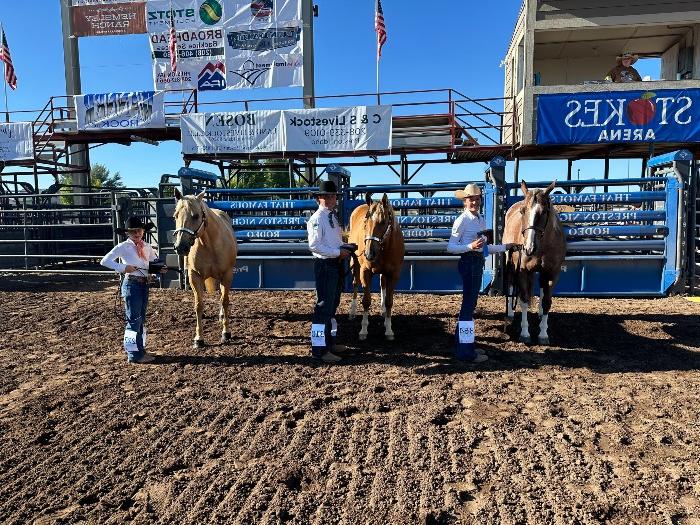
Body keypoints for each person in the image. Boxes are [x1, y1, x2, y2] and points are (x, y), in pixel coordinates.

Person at [447, 184, 517, 363]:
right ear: (465, 201)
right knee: (468, 308)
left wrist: (505, 247)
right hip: (469, 262)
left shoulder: (480, 219)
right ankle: (466, 352)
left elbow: (484, 247)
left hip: (476, 262)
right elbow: (450, 247)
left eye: (477, 199)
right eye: (471, 199)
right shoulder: (462, 220)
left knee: (469, 306)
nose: (475, 202)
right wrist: (469, 246)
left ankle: (464, 346)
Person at [100, 216, 166, 364]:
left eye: (139, 230)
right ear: (127, 233)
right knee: (133, 320)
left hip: (143, 285)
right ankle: (133, 354)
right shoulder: (123, 247)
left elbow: (153, 264)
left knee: (140, 320)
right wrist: (124, 268)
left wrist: (158, 271)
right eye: (133, 231)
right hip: (131, 284)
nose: (137, 233)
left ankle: (140, 349)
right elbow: (105, 261)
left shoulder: (147, 247)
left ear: (143, 231)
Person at [307, 180, 353, 363]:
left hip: (334, 264)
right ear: (319, 199)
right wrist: (337, 252)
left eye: (333, 196)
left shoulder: (331, 217)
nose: (331, 199)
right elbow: (314, 246)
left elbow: (332, 242)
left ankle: (329, 342)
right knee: (323, 308)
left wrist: (345, 247)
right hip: (326, 265)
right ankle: (319, 349)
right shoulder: (317, 219)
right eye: (327, 196)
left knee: (332, 306)